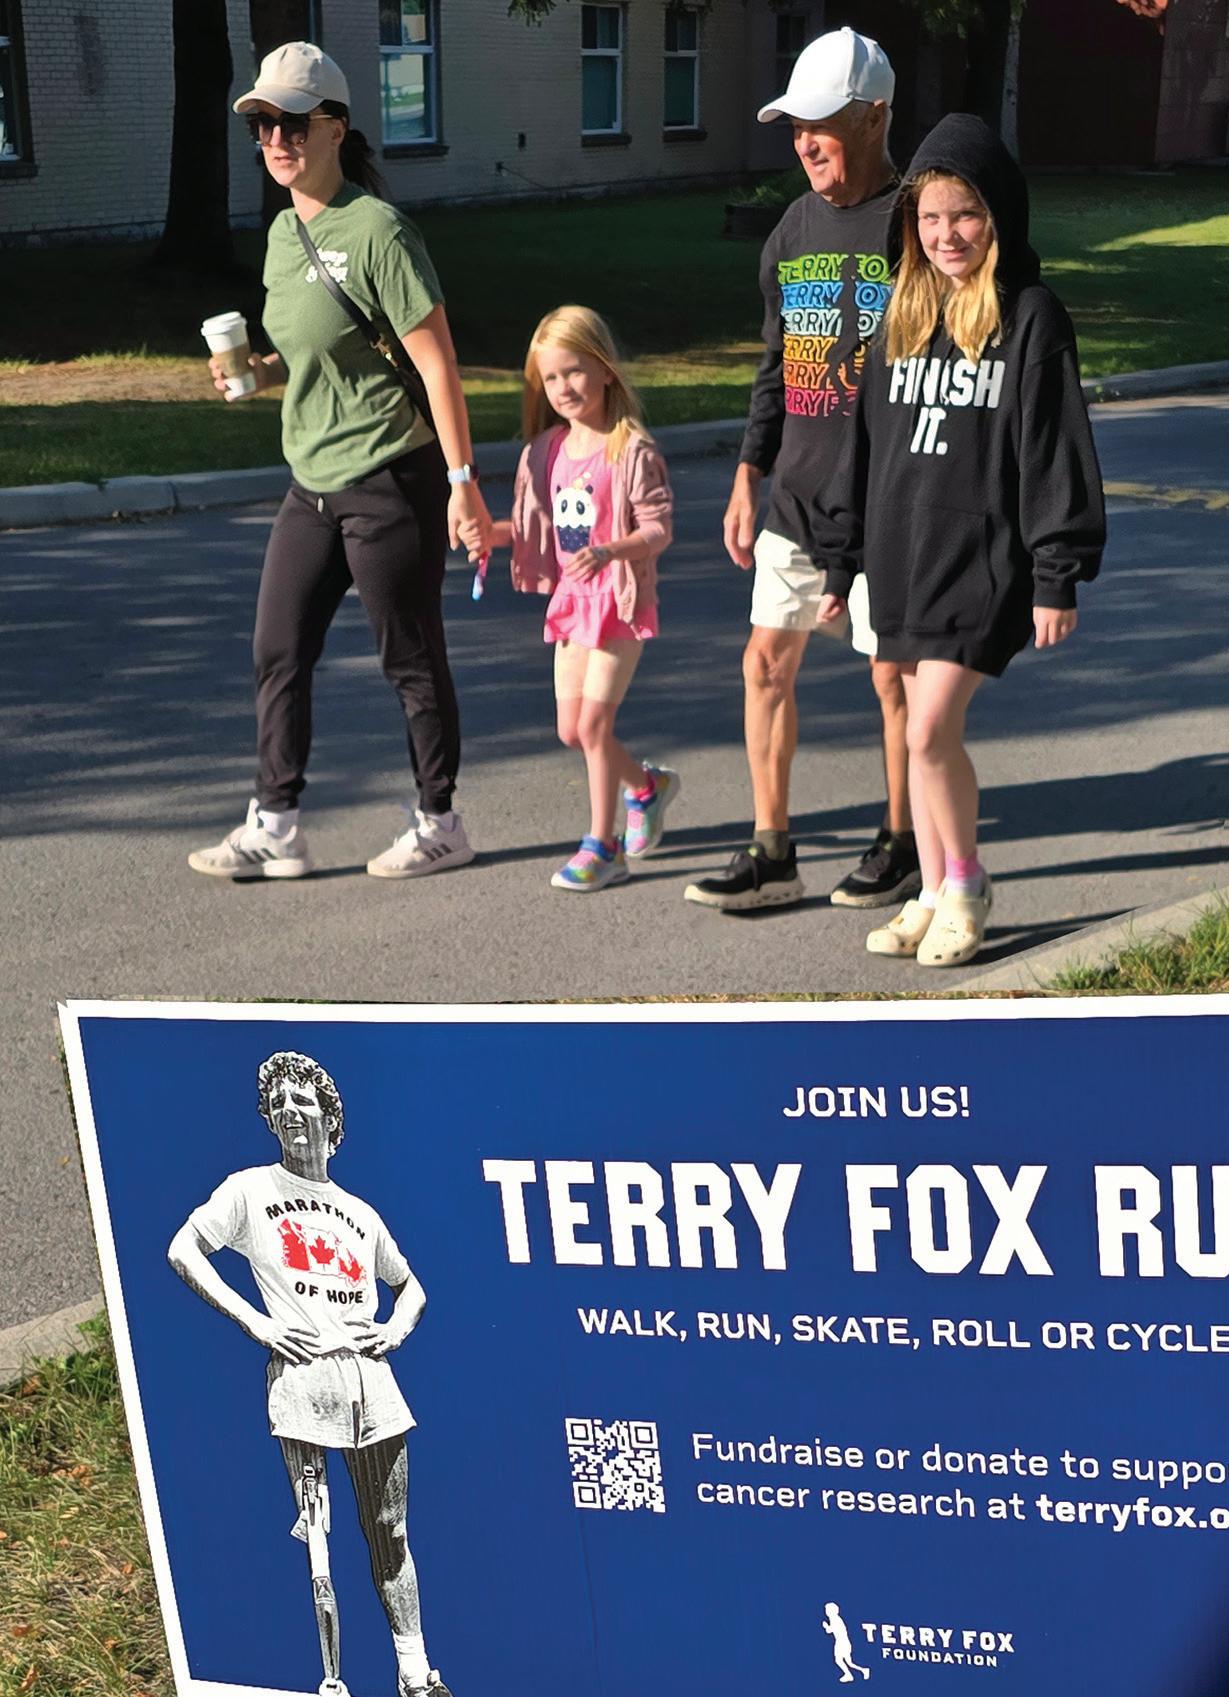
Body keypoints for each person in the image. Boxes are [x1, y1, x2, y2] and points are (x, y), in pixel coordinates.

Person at [188, 42, 491, 883]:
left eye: (291, 124)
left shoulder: (378, 230)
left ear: (335, 129)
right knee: (276, 648)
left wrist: (463, 486)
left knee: (410, 658)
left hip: (391, 477)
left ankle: (440, 821)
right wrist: (258, 372)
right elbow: (314, 351)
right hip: (311, 482)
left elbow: (436, 363)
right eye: (261, 125)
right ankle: (276, 825)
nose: (275, 140)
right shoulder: (283, 234)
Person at [812, 113, 1105, 968]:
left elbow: (1051, 449)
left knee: (928, 729)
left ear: (997, 217)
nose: (947, 235)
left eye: (965, 215)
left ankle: (966, 885)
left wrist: (1055, 573)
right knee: (915, 730)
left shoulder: (1030, 317)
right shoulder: (899, 316)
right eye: (931, 217)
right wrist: (839, 559)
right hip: (901, 558)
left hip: (982, 561)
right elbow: (861, 450)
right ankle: (932, 889)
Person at [684, 28, 920, 913]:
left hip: (887, 495)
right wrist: (748, 470)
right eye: (794, 126)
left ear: (873, 117)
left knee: (890, 676)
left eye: (819, 123)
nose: (803, 142)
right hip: (795, 491)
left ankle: (901, 841)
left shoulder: (916, 221)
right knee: (764, 664)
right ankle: (772, 849)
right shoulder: (793, 228)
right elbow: (776, 363)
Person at [167, 1051, 452, 1697]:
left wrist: (395, 1330)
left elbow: (410, 1286)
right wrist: (255, 1322)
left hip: (370, 1380)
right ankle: (333, 1680)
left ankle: (415, 1675)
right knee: (316, 1539)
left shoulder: (360, 1212)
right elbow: (184, 1248)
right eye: (278, 1103)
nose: (289, 1110)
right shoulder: (250, 1188)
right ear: (269, 1120)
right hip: (304, 1378)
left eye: (302, 1099)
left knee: (390, 1530)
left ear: (330, 1116)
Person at [488, 306, 677, 891]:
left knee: (594, 725)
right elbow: (535, 531)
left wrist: (611, 551)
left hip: (618, 600)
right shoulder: (546, 451)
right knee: (572, 730)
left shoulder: (631, 449)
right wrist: (489, 534)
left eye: (573, 371)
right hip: (573, 603)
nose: (563, 387)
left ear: (605, 370)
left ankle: (603, 846)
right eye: (551, 377)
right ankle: (646, 786)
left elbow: (658, 528)